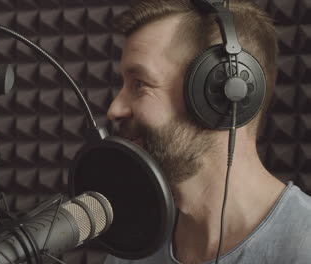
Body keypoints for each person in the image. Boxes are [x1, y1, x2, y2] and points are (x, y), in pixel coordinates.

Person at [104, 0, 311, 263]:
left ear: (220, 94)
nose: (115, 109)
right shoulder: (133, 250)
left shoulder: (304, 248)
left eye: (140, 84)